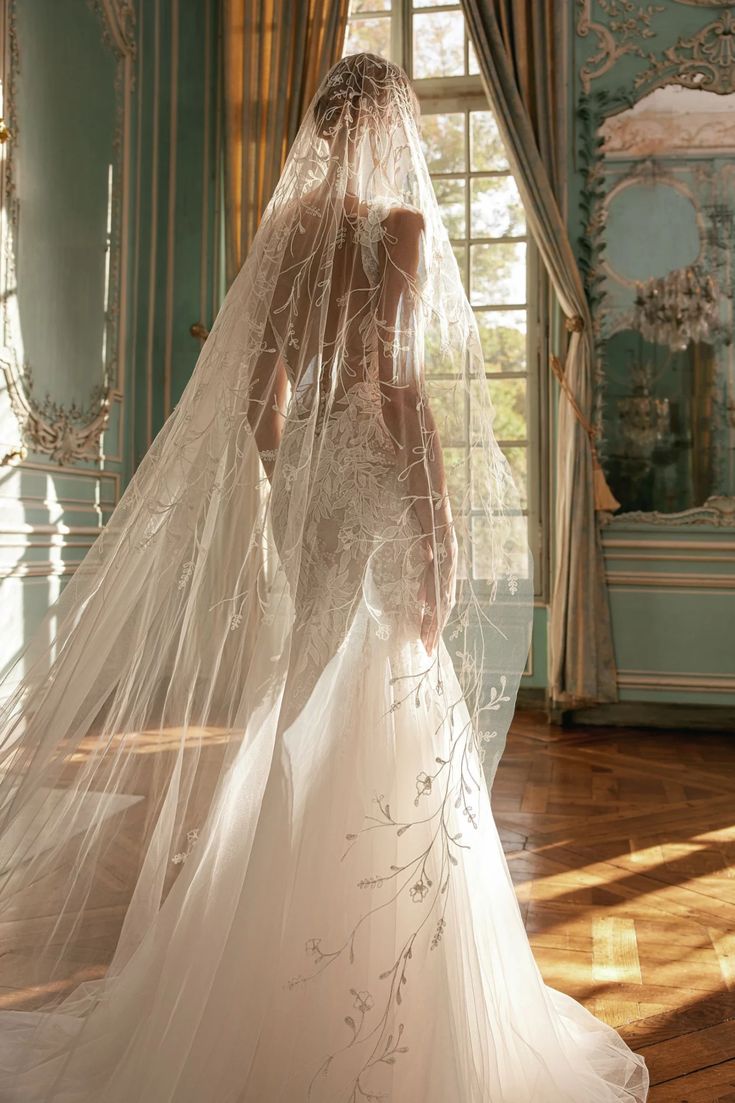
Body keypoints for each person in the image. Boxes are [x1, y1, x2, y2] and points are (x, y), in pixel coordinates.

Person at [0, 53, 648, 1102]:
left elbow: (261, 392)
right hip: (372, 478)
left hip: (308, 482)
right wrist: (434, 527)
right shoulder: (397, 230)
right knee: (395, 691)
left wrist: (289, 475)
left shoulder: (288, 237)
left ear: (322, 127)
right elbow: (399, 391)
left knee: (306, 696)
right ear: (389, 129)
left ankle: (256, 963)